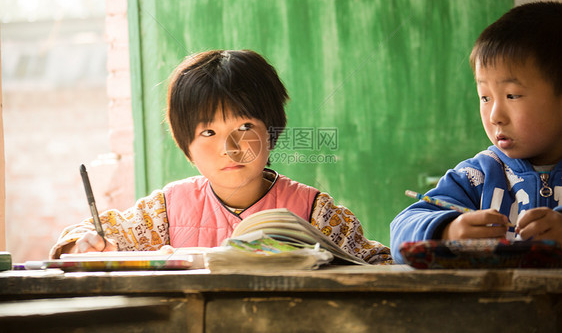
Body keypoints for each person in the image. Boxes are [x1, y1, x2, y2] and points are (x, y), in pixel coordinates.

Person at [50, 49, 392, 264]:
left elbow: (379, 263)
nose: (230, 149)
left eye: (244, 127)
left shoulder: (316, 211)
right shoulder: (165, 212)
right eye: (208, 133)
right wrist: (84, 246)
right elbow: (85, 235)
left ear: (271, 131)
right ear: (187, 146)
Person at [390, 1, 562, 264]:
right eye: (485, 97)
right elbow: (401, 231)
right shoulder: (477, 176)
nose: (495, 116)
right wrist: (448, 231)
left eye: (512, 95)